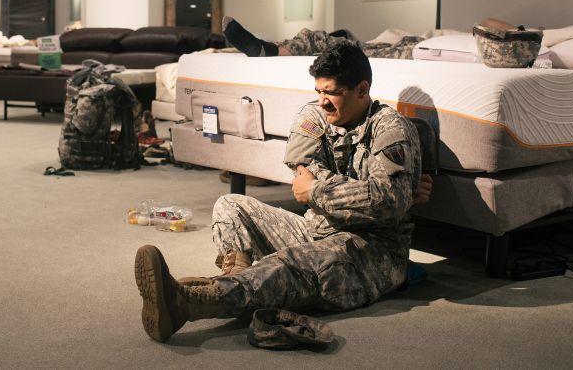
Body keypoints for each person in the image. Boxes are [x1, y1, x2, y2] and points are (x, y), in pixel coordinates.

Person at [134, 40, 433, 342]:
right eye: (319, 91)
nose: (323, 101)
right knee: (231, 205)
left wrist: (318, 191)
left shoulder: (390, 128)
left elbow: (386, 200)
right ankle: (231, 284)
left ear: (362, 90)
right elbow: (300, 167)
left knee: (291, 265)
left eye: (332, 92)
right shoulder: (314, 114)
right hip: (317, 228)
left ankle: (187, 302)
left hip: (370, 248)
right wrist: (360, 192)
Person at [221, 16, 422, 59]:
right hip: (389, 43)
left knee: (339, 48)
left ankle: (269, 49)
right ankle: (267, 48)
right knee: (322, 39)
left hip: (400, 50)